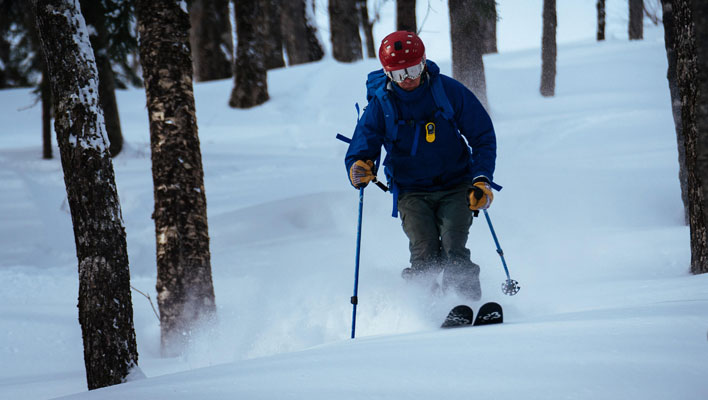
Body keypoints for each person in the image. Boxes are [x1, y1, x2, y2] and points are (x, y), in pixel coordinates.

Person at [344, 31, 497, 301]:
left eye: (414, 69)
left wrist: (481, 178)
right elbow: (361, 145)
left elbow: (482, 135)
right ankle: (425, 310)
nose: (409, 79)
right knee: (425, 251)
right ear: (388, 73)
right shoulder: (382, 104)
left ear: (424, 62)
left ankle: (465, 304)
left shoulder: (448, 92)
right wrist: (358, 167)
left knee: (454, 246)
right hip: (411, 190)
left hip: (456, 183)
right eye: (400, 73)